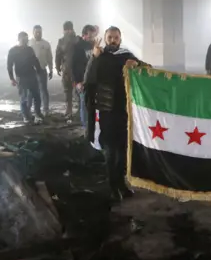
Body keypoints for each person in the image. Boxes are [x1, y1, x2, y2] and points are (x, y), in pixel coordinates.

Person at [84, 26, 150, 201]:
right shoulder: (100, 56)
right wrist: (93, 58)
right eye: (110, 37)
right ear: (105, 38)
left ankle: (121, 183)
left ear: (120, 39)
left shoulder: (126, 55)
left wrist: (138, 64)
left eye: (116, 37)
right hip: (105, 111)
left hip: (124, 110)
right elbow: (88, 79)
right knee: (110, 151)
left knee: (123, 150)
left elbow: (148, 69)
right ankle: (113, 186)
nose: (113, 40)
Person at [7, 31, 43, 124]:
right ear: (19, 39)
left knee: (37, 96)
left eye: (26, 39)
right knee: (24, 98)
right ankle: (26, 116)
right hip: (21, 77)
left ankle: (37, 114)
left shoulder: (29, 49)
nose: (25, 41)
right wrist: (11, 78)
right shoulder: (13, 51)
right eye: (24, 39)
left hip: (32, 76)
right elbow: (9, 65)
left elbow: (35, 61)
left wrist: (39, 71)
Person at [72, 24, 99, 132]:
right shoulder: (78, 47)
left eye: (93, 36)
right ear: (84, 35)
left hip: (93, 80)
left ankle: (91, 126)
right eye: (90, 36)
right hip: (82, 81)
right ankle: (84, 128)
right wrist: (77, 81)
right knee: (84, 103)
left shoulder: (93, 46)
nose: (92, 38)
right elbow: (73, 66)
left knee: (91, 103)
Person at [55, 21, 79, 119]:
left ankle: (71, 111)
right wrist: (57, 67)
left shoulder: (77, 40)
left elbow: (58, 55)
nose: (67, 32)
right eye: (66, 30)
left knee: (75, 91)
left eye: (68, 29)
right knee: (69, 91)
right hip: (69, 70)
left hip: (73, 70)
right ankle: (70, 111)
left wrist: (57, 67)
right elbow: (58, 55)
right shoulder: (76, 40)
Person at [28, 25, 53, 116]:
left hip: (42, 70)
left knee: (43, 90)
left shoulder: (46, 44)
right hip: (30, 71)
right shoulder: (28, 43)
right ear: (33, 32)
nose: (38, 33)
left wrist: (51, 69)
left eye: (40, 32)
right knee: (30, 91)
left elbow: (49, 57)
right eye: (36, 32)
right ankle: (28, 109)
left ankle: (45, 109)